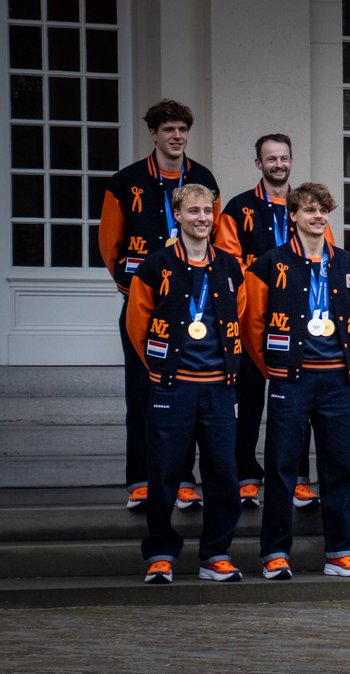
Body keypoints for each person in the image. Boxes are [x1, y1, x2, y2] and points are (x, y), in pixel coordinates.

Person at [242, 182, 350, 580]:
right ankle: (275, 553)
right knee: (281, 467)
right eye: (309, 210)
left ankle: (341, 552)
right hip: (290, 380)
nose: (317, 217)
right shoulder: (267, 264)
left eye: (323, 211)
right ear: (292, 215)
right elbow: (252, 324)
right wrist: (274, 369)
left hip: (336, 380)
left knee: (340, 467)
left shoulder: (347, 263)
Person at [99, 99, 220, 510]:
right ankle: (140, 479)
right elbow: (110, 242)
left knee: (186, 390)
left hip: (194, 307)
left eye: (182, 129)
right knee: (142, 390)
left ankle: (183, 479)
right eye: (168, 129)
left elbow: (213, 235)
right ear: (154, 133)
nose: (177, 136)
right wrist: (127, 283)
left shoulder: (203, 178)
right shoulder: (126, 181)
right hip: (146, 302)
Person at [126, 184, 243, 584]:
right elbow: (136, 324)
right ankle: (160, 553)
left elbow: (241, 319)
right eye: (193, 211)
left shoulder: (230, 266)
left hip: (219, 389)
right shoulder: (156, 265)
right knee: (164, 473)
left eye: (208, 211)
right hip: (173, 387)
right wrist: (157, 371)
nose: (202, 218)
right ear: (177, 215)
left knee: (223, 474)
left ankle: (216, 554)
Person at [214, 133, 329, 509]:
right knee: (248, 401)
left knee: (299, 405)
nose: (278, 164)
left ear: (291, 161)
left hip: (301, 321)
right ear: (258, 164)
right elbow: (229, 263)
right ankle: (246, 475)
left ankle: (297, 479)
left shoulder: (310, 206)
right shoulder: (238, 207)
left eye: (284, 158)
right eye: (270, 159)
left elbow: (324, 258)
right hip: (252, 317)